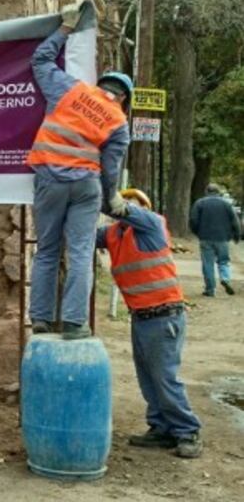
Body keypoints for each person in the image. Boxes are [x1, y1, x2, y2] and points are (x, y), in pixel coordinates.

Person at [26, 3, 132, 339]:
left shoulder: (72, 89)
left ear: (100, 84)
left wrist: (65, 29)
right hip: (86, 184)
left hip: (49, 178)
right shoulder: (119, 122)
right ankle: (74, 323)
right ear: (123, 98)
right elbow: (110, 168)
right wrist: (111, 197)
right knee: (81, 253)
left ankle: (41, 319)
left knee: (47, 250)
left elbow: (40, 60)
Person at [98, 188, 202, 458]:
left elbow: (122, 210)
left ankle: (187, 430)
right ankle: (161, 428)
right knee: (148, 378)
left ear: (144, 208)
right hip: (142, 316)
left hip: (163, 315)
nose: (127, 206)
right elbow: (84, 233)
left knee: (165, 378)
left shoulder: (152, 224)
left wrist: (101, 196)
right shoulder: (114, 235)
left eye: (134, 203)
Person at [190, 183, 241, 297]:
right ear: (218, 192)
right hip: (223, 237)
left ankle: (210, 289)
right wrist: (236, 235)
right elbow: (235, 221)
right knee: (223, 261)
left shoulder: (200, 203)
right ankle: (225, 279)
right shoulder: (226, 204)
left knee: (208, 263)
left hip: (205, 237)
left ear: (206, 191)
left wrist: (197, 232)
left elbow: (193, 220)